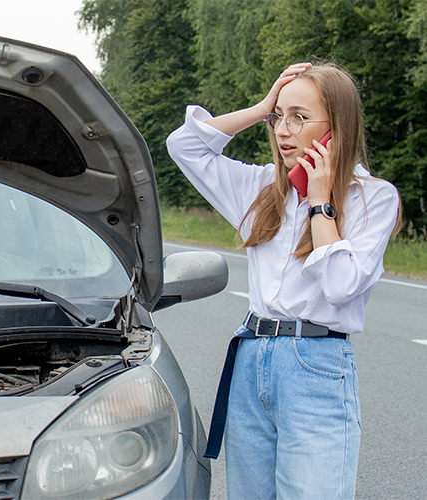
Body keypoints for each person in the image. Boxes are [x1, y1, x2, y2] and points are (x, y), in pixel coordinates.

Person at [166, 62, 401, 500]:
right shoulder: (261, 188)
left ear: (337, 128)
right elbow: (185, 146)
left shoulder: (373, 198)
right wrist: (261, 106)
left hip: (315, 366)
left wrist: (319, 203)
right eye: (280, 116)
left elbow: (340, 285)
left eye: (299, 117)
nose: (282, 130)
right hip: (252, 358)